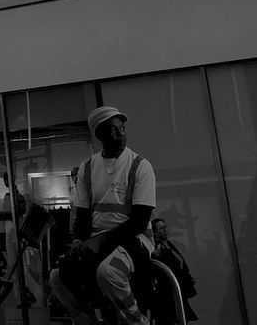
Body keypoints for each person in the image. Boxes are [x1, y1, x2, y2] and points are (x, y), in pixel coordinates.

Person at [50, 105, 156, 325]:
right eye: (113, 129)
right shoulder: (88, 168)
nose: (121, 133)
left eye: (122, 128)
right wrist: (79, 241)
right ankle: (86, 318)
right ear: (99, 134)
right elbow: (83, 214)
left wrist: (99, 240)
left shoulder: (140, 166)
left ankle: (136, 320)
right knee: (56, 277)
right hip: (97, 239)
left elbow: (139, 221)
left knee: (108, 273)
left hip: (135, 239)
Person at [150, 218, 198, 322]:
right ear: (154, 232)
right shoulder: (155, 248)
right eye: (161, 229)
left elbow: (179, 262)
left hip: (178, 289)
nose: (165, 231)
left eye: (164, 228)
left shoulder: (168, 244)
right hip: (168, 294)